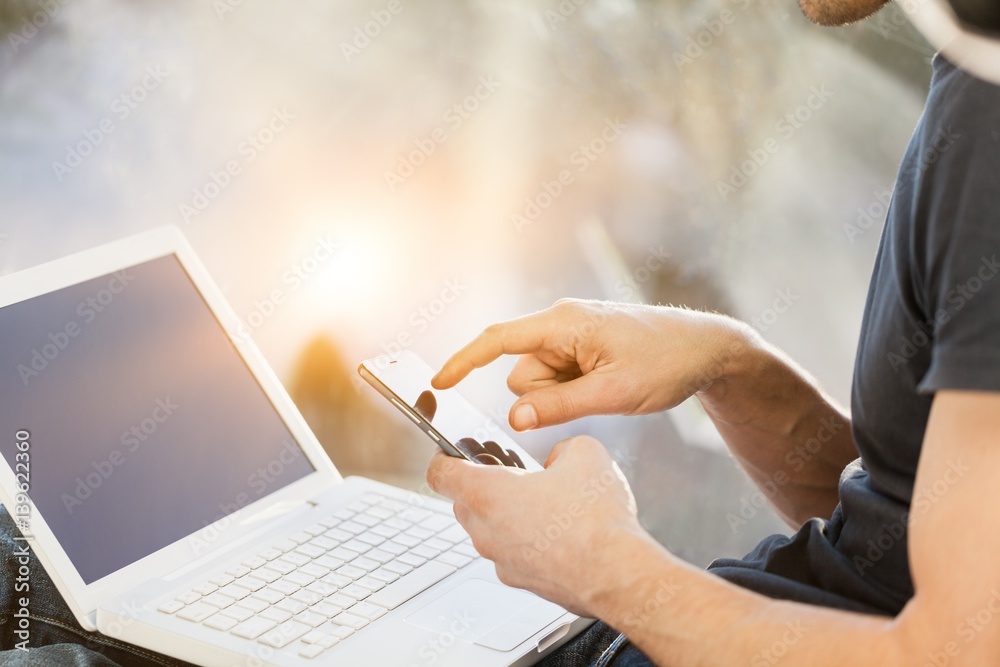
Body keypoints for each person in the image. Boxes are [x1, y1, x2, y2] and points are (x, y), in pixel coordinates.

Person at [4, 0, 999, 665]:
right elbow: (913, 546)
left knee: (52, 601)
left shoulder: (988, 133)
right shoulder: (969, 78)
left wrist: (606, 567)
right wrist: (735, 369)